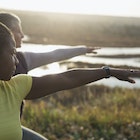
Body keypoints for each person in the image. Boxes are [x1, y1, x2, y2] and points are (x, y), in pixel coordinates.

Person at [0, 22, 140, 140]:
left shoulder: (14, 87)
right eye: (12, 53)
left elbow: (67, 78)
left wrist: (108, 72)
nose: (17, 61)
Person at [0, 12, 100, 140]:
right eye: (18, 31)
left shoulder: (24, 60)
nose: (23, 35)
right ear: (7, 32)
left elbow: (54, 56)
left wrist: (83, 50)